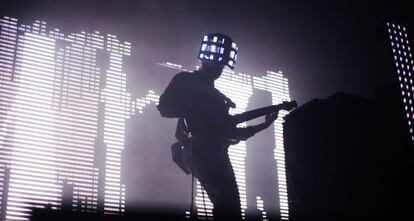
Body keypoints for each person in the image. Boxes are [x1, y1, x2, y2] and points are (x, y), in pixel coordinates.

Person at [157, 33, 295, 220]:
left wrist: (264, 125)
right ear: (207, 61)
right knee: (228, 205)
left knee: (231, 207)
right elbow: (165, 107)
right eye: (218, 64)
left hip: (216, 154)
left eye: (221, 66)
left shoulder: (217, 97)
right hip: (200, 152)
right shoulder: (186, 80)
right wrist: (195, 107)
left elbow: (229, 131)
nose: (219, 70)